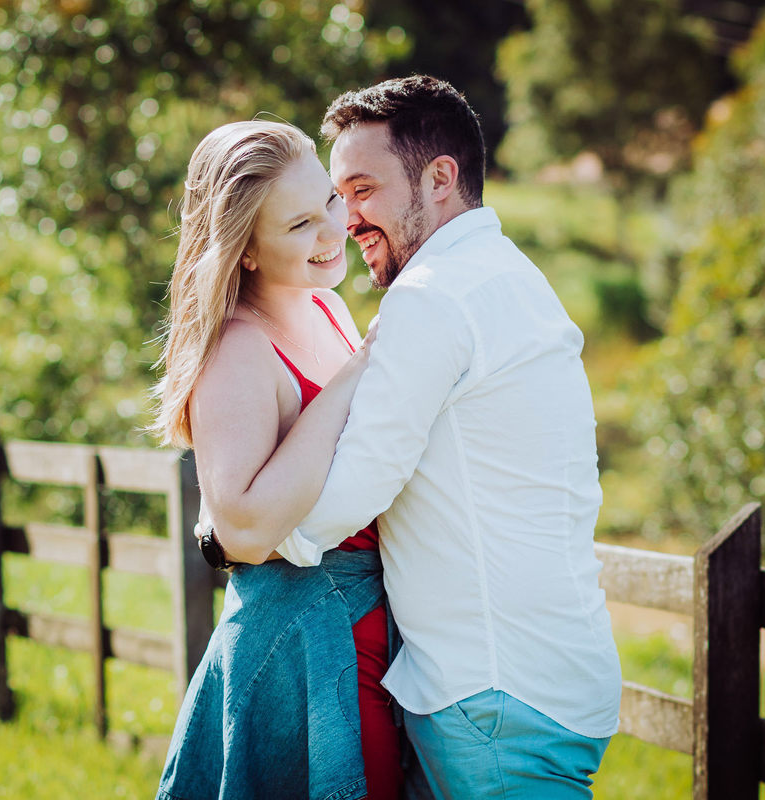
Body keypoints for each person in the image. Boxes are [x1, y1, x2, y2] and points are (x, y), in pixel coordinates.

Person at [233, 76, 624, 798]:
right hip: (540, 676)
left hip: (494, 692)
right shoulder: (511, 275)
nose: (345, 219)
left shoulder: (433, 294)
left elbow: (357, 484)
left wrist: (245, 538)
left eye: (361, 189)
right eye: (337, 195)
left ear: (440, 177)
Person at [152, 120, 402, 800]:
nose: (333, 229)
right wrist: (358, 373)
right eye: (299, 225)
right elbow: (241, 529)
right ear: (248, 252)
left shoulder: (325, 307)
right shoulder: (238, 347)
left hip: (372, 628)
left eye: (328, 199)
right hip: (311, 644)